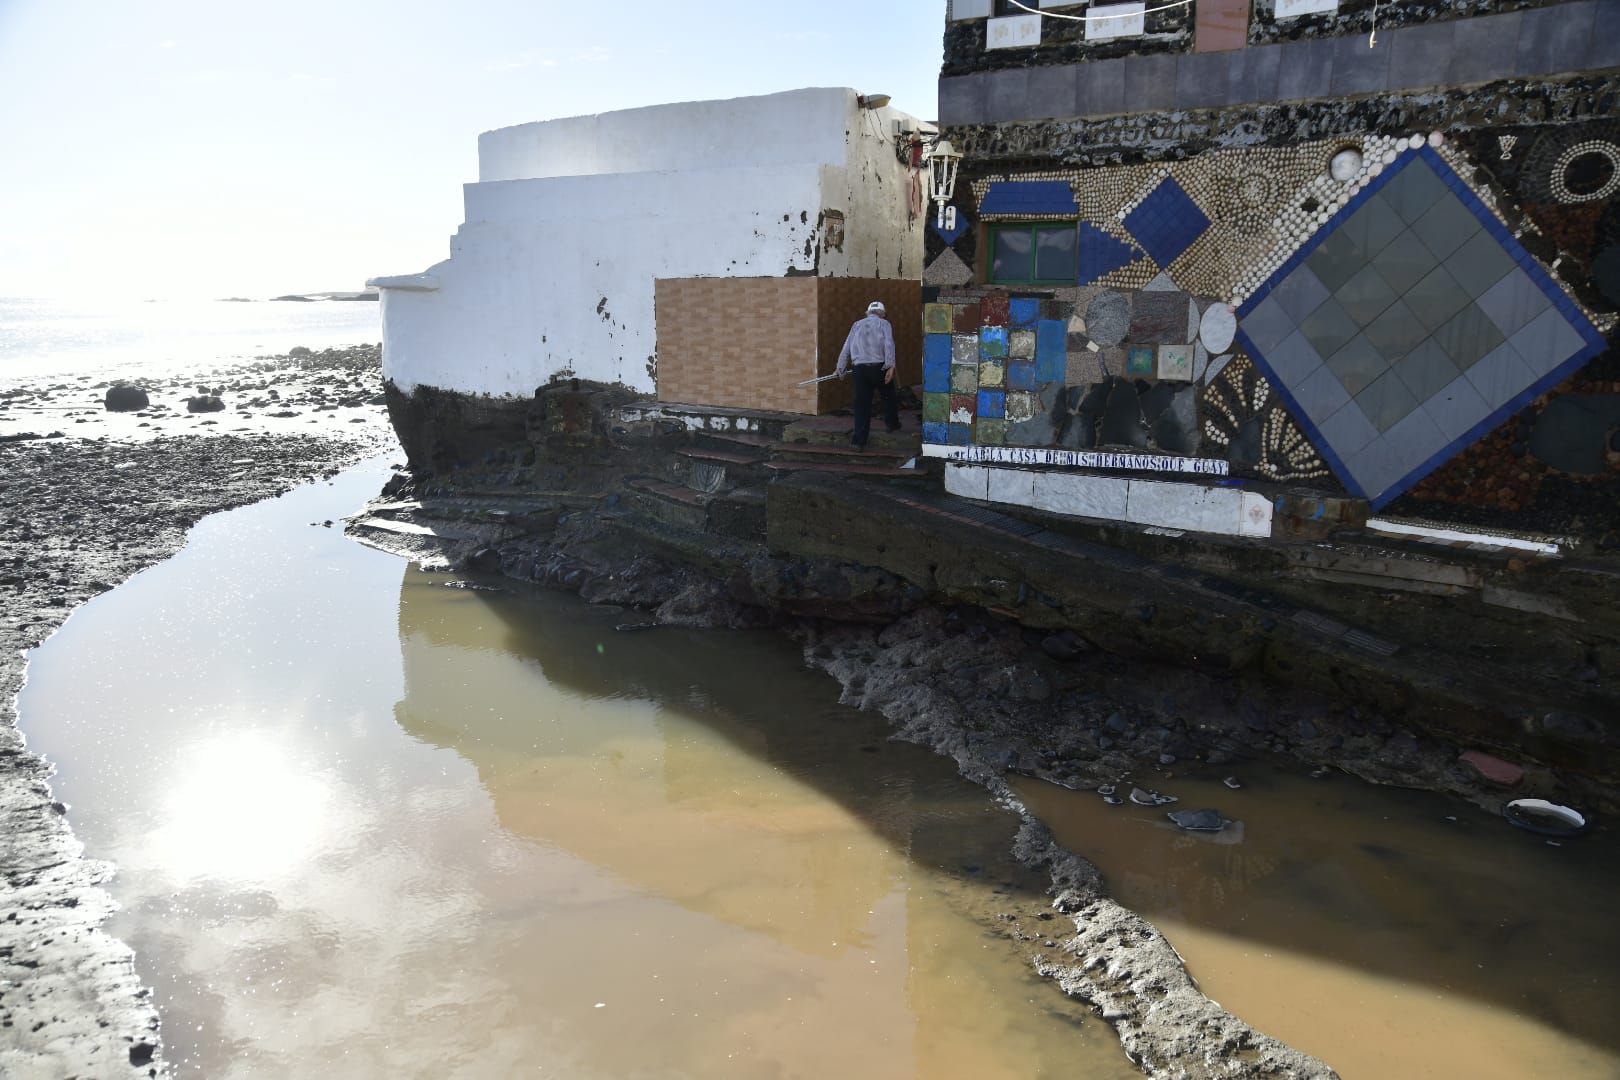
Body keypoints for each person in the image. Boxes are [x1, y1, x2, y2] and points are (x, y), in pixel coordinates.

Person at [834, 300, 901, 450]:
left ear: (868, 312)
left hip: (860, 370)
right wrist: (890, 366)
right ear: (882, 314)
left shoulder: (857, 324)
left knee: (861, 405)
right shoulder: (884, 324)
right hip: (879, 368)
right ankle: (892, 424)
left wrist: (840, 367)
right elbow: (889, 344)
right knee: (889, 397)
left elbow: (847, 346)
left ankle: (858, 441)